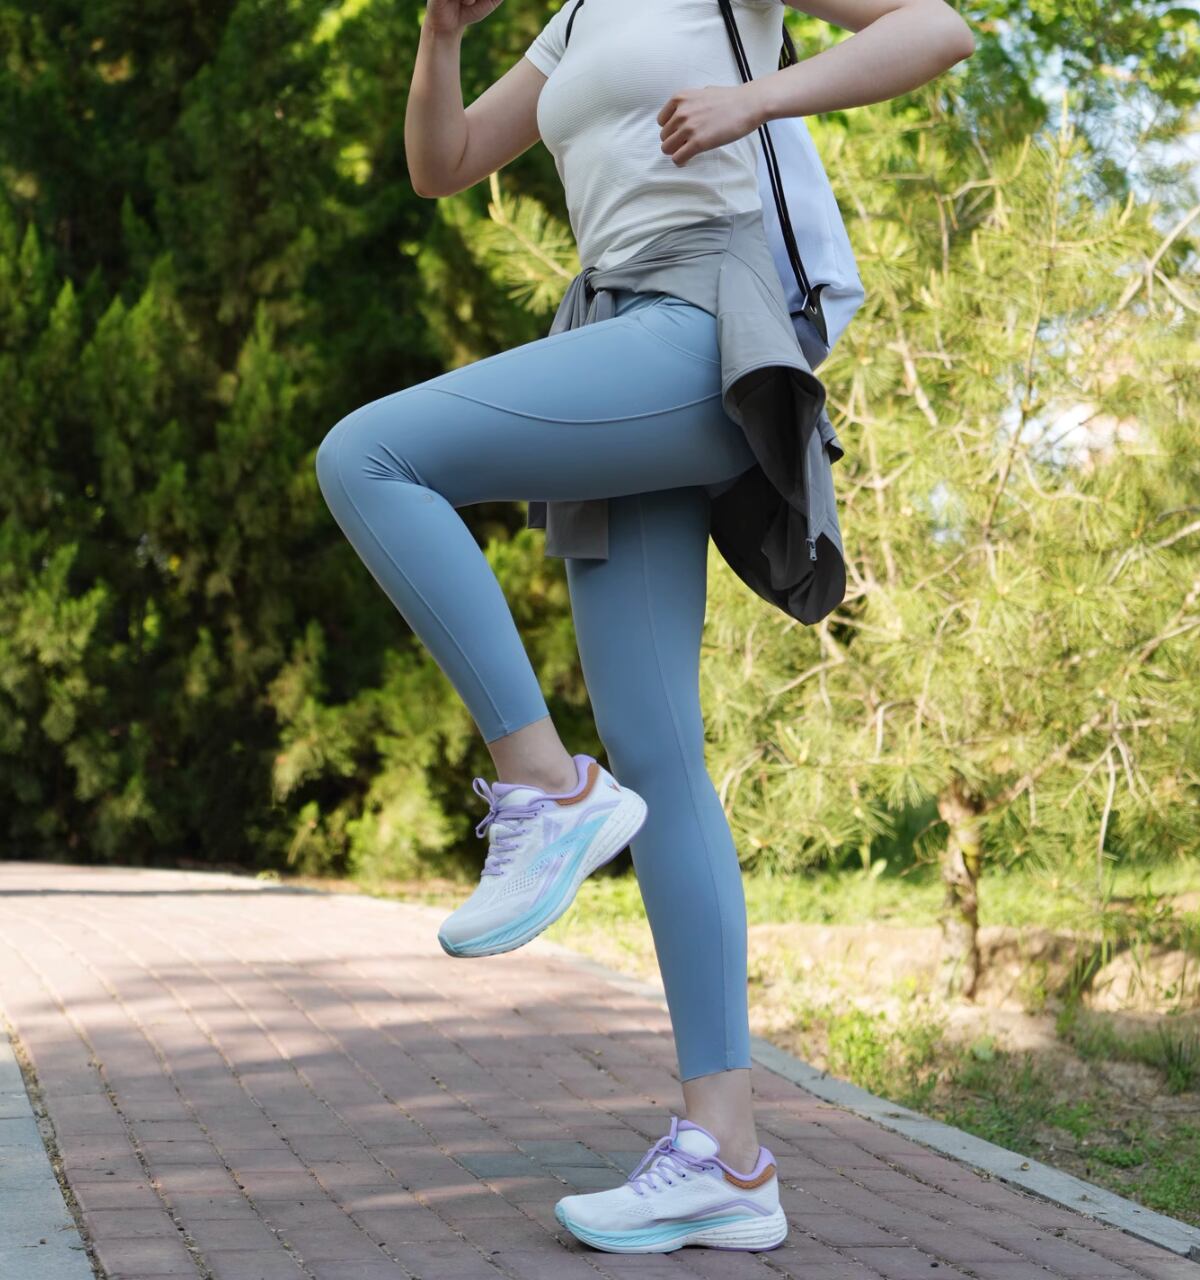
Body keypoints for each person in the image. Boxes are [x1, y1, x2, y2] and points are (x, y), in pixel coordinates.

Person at [315, 0, 974, 1255]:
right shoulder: (573, 19)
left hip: (706, 319)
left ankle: (542, 784)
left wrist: (753, 98)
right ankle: (727, 1156)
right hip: (610, 332)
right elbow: (443, 165)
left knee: (368, 454)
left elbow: (938, 29)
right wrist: (440, 38)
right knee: (659, 759)